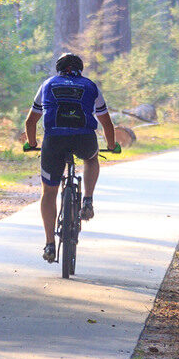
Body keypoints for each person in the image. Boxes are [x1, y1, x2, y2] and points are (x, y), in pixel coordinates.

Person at [23, 52, 117, 262]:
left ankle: (49, 244)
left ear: (58, 68)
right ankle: (88, 201)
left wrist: (32, 143)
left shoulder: (47, 85)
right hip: (84, 139)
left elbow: (30, 122)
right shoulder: (90, 86)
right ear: (80, 69)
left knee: (49, 191)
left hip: (54, 141)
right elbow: (107, 124)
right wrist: (111, 145)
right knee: (92, 159)